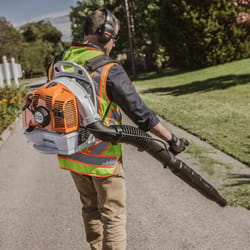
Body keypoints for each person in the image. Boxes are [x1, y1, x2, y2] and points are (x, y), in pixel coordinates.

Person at [49, 9, 188, 250]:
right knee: (113, 215)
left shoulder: (60, 61)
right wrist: (172, 139)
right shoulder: (108, 68)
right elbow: (140, 113)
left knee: (90, 209)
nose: (115, 42)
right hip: (102, 158)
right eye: (115, 37)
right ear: (105, 34)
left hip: (71, 153)